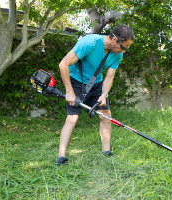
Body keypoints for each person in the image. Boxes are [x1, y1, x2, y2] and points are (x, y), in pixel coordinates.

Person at [56, 24, 134, 165]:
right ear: (115, 40)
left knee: (106, 114)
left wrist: (104, 93)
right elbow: (63, 64)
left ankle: (106, 152)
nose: (124, 52)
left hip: (96, 83)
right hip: (76, 81)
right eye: (123, 47)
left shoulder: (117, 55)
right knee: (72, 118)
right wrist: (69, 91)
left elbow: (109, 76)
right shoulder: (89, 42)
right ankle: (61, 156)